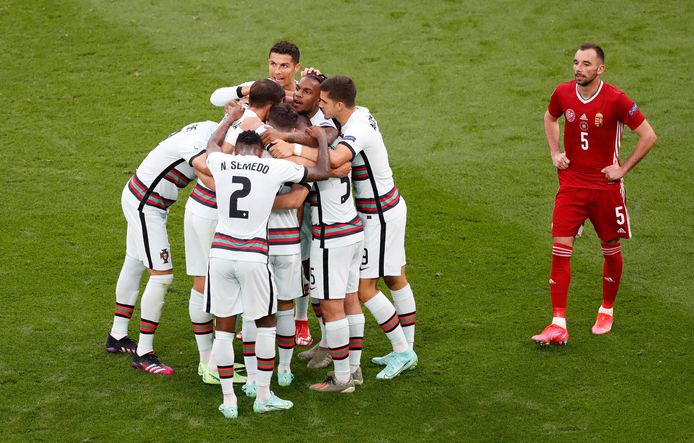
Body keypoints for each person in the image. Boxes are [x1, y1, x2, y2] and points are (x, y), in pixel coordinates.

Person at [205, 107, 332, 418]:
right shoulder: (272, 169)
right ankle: (263, 394)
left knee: (223, 331)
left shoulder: (222, 162)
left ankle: (229, 400)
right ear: (261, 151)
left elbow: (211, 145)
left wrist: (228, 119)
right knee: (265, 324)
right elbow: (321, 172)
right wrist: (322, 144)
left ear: (237, 149)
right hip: (252, 255)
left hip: (220, 254)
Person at [288, 76, 418, 379]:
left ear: (339, 104)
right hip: (383, 209)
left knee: (366, 289)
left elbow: (333, 159)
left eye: (324, 100)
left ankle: (404, 351)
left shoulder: (356, 129)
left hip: (380, 214)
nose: (319, 104)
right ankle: (404, 349)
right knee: (395, 276)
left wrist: (291, 145)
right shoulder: (358, 113)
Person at [532, 43, 657, 345]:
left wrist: (622, 169)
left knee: (610, 247)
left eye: (587, 64)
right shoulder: (562, 93)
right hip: (572, 184)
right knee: (560, 248)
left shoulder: (616, 99)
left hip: (605, 187)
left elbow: (648, 135)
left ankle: (606, 309)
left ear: (600, 69)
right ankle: (558, 323)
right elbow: (550, 118)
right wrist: (554, 152)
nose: (579, 68)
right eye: (576, 62)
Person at [105, 119, 219, 376]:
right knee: (162, 276)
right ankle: (143, 353)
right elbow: (207, 173)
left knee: (133, 263)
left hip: (141, 197)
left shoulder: (208, 127)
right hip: (147, 205)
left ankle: (117, 335)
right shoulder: (199, 141)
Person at [264, 73, 341, 366]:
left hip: (316, 219)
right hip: (299, 218)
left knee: (315, 284)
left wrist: (289, 144)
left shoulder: (325, 124)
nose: (299, 95)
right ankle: (315, 342)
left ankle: (327, 342)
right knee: (302, 282)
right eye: (299, 89)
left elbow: (328, 141)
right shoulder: (290, 111)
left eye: (309, 93)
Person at [210, 41, 302, 107]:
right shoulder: (257, 86)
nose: (277, 71)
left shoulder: (307, 92)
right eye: (273, 64)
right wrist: (255, 90)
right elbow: (215, 99)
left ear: (296, 67)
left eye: (284, 66)